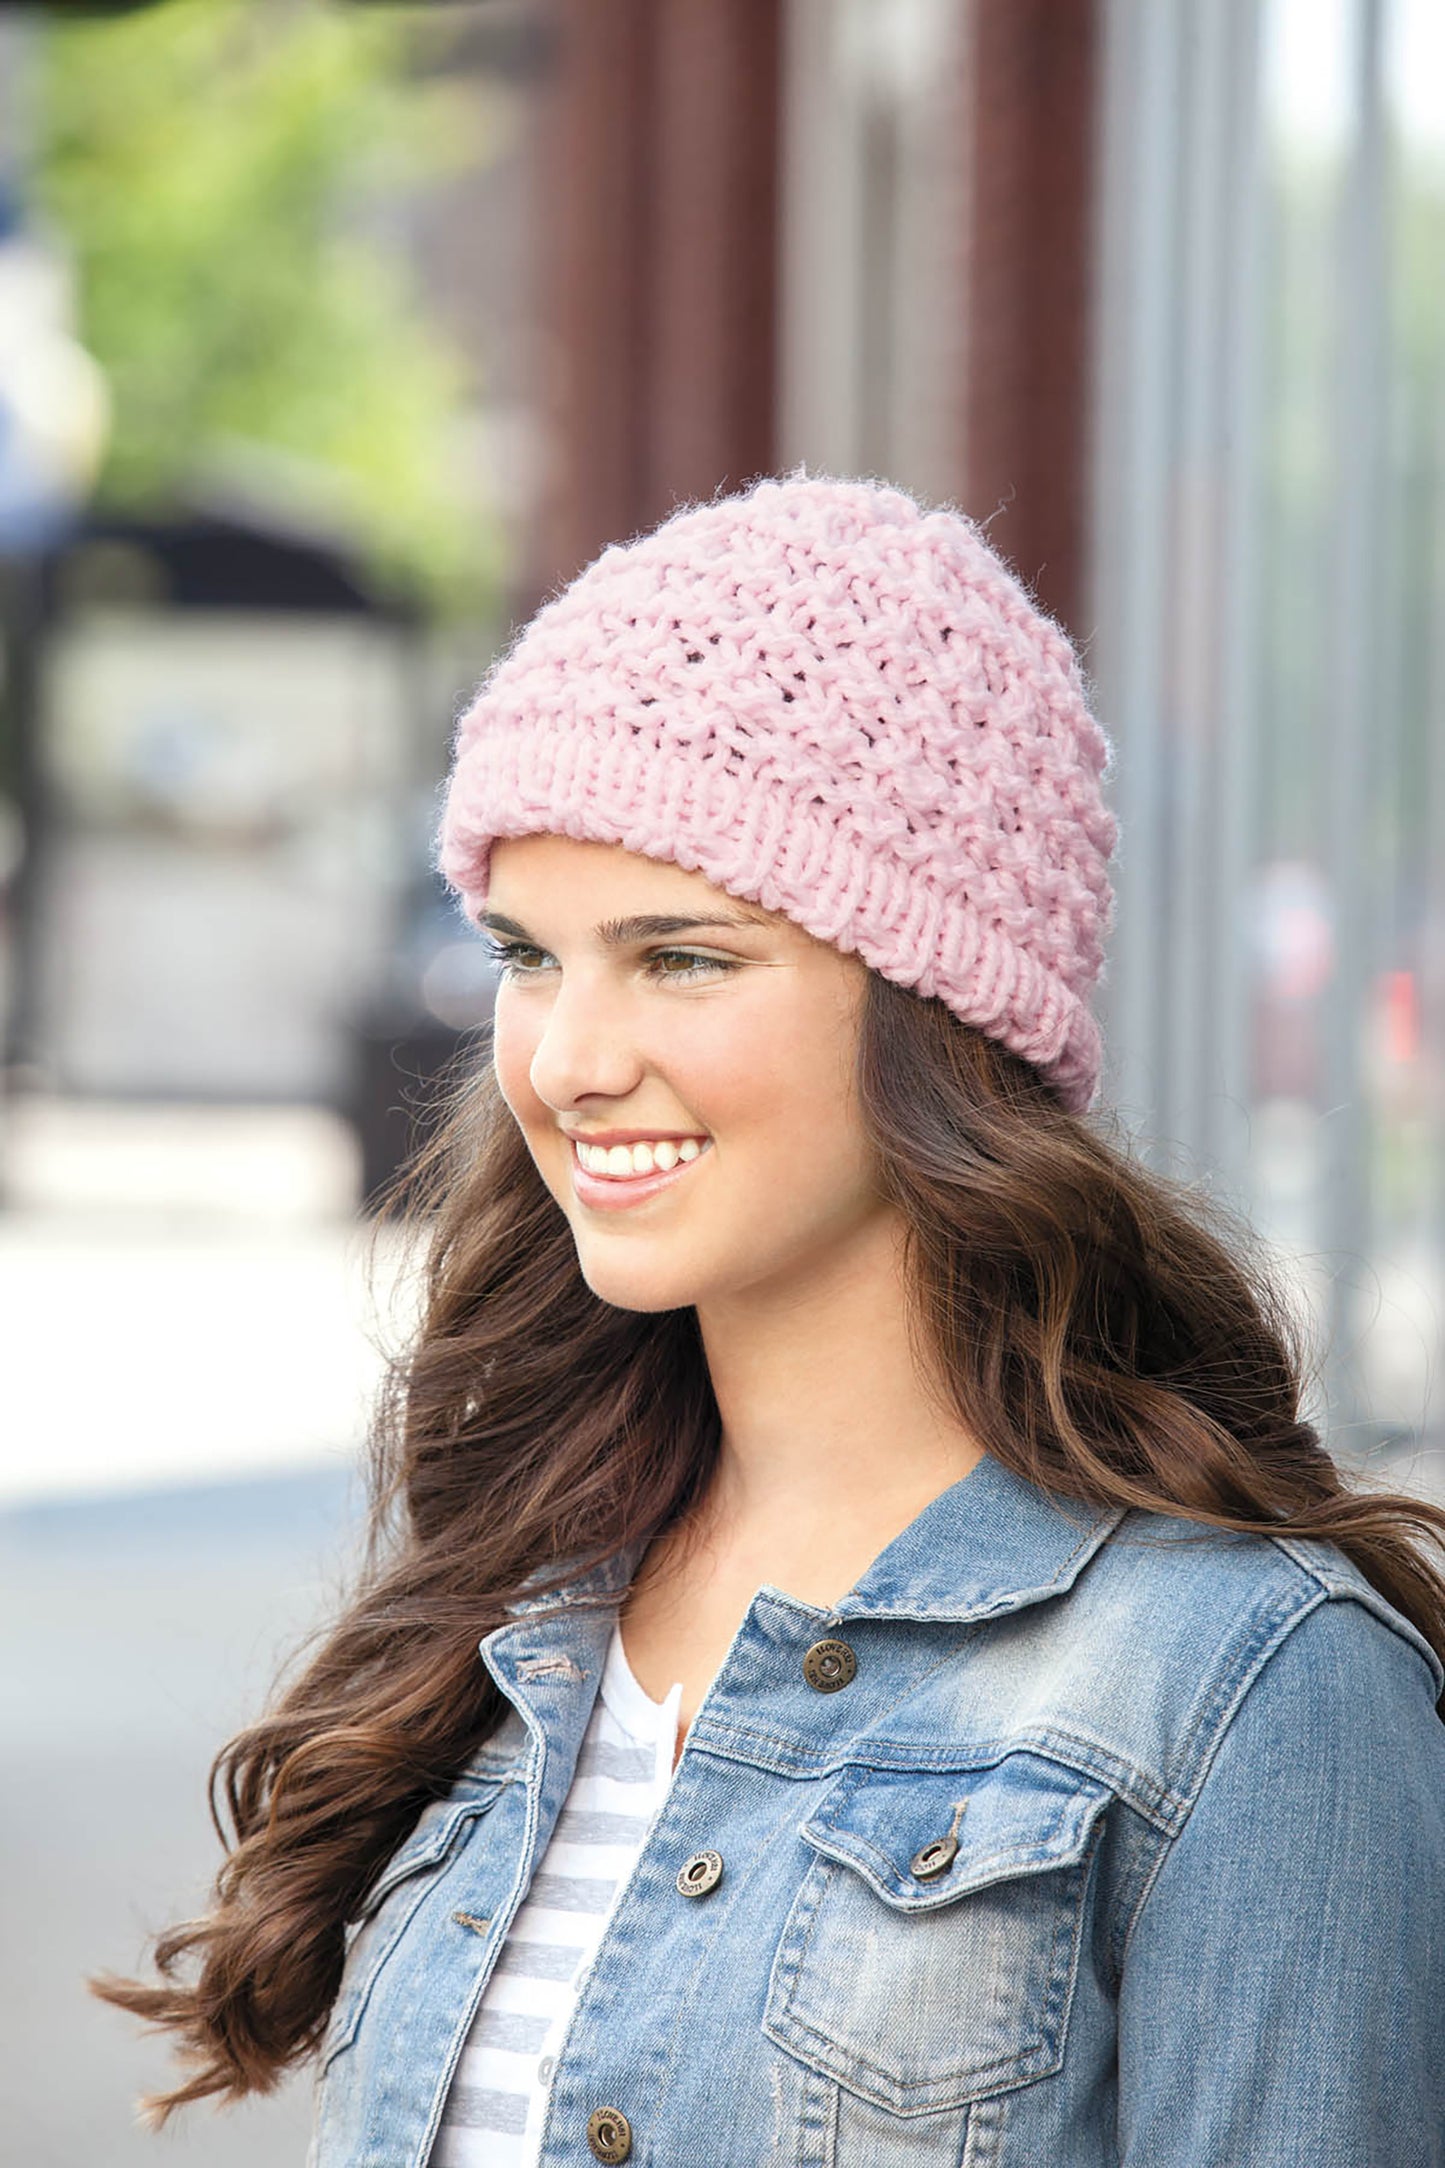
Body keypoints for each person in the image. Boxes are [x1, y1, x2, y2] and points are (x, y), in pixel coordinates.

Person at [97, 473, 1445, 2166]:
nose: (567, 1060)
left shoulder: (1247, 1688)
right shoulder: (532, 1604)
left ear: (938, 1011)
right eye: (529, 954)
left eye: (680, 958)